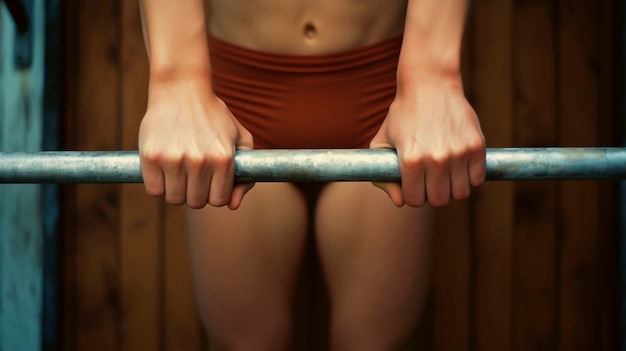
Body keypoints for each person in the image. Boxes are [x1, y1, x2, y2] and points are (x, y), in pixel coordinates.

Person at [138, 1, 486, 350]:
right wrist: (178, 83)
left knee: (373, 344)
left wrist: (435, 78)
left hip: (385, 104)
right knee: (243, 344)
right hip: (236, 106)